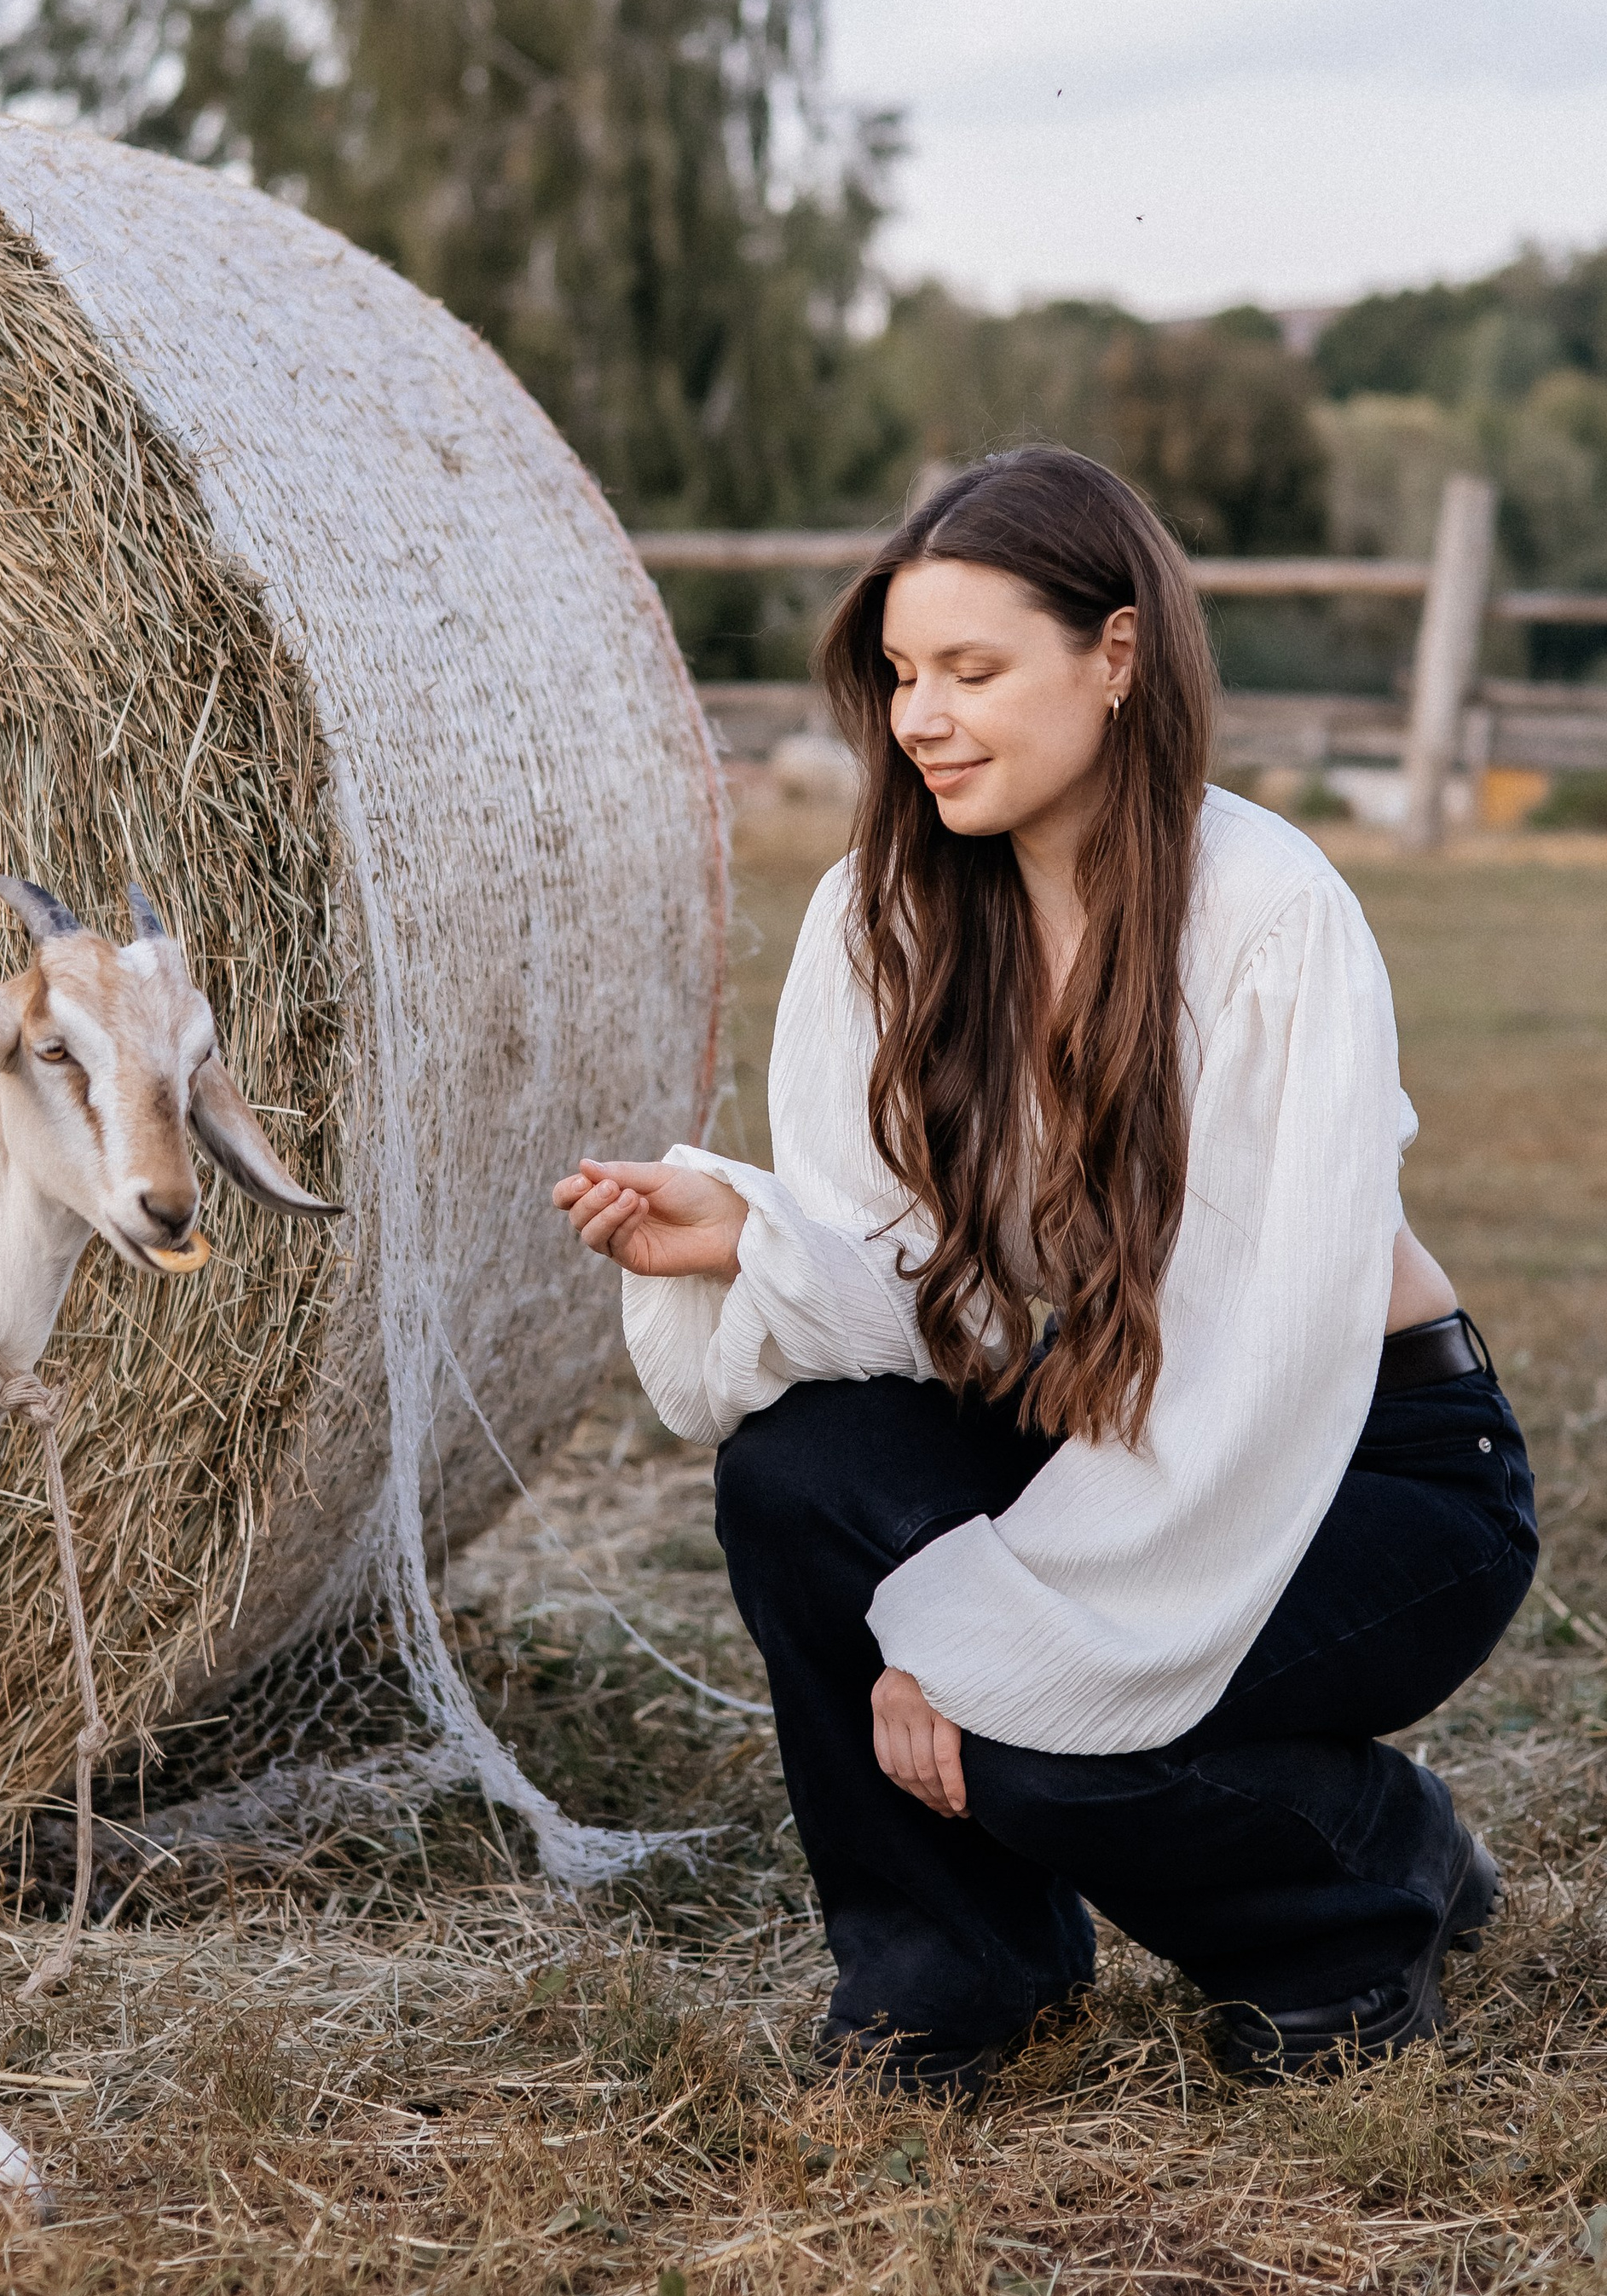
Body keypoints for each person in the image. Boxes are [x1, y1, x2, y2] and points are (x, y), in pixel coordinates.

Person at [555, 447, 1534, 2093]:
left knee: (1035, 1719)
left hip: (1368, 1472)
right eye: (901, 674)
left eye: (972, 670)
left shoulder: (1270, 913)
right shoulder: (885, 909)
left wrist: (956, 1634)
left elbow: (1241, 1367)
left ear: (1118, 657)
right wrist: (756, 1234)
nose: (919, 715)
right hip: (1085, 1424)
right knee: (795, 1470)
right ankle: (957, 1972)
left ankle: (1368, 1891)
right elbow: (924, 1293)